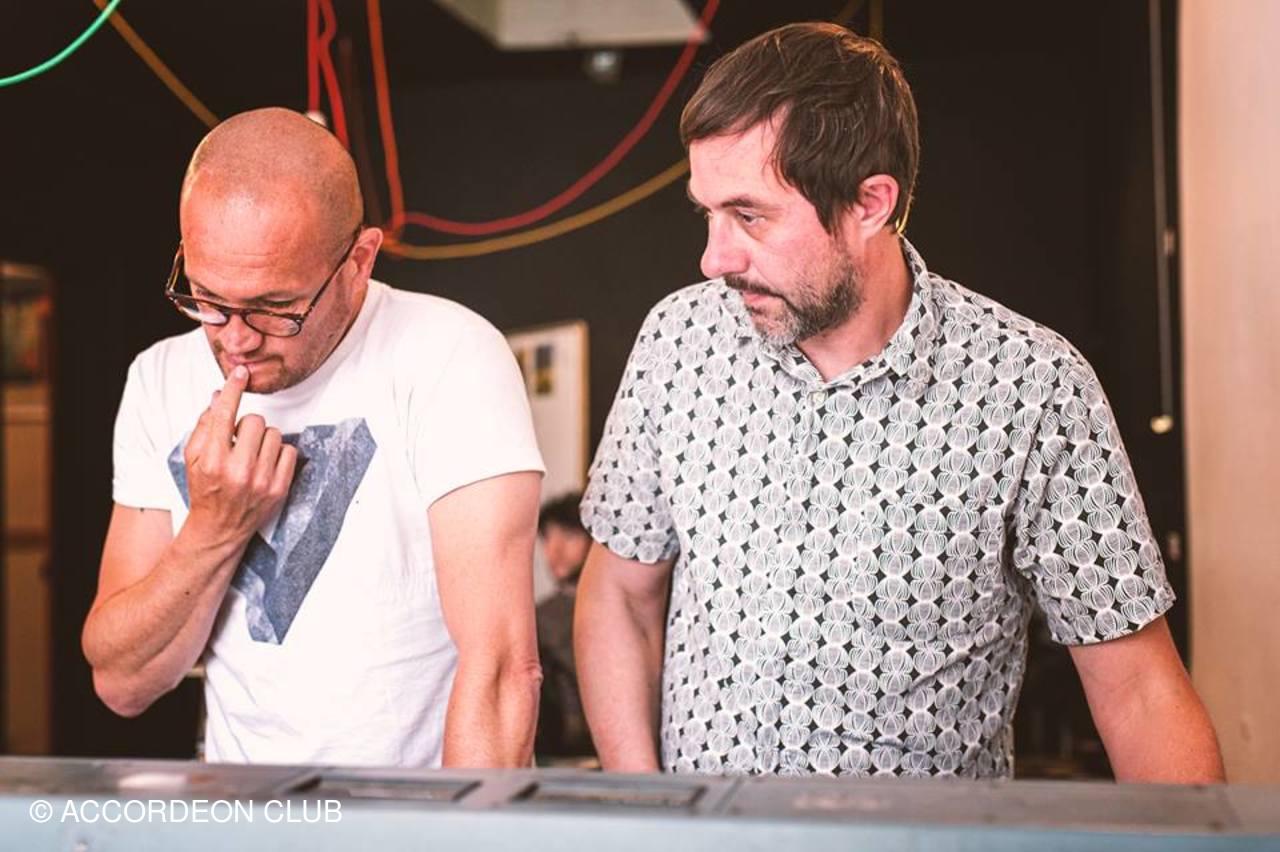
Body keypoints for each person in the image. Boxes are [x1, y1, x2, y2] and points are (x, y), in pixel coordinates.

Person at [575, 22, 1225, 781]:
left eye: (750, 216)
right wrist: (646, 805)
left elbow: (1141, 692)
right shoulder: (678, 341)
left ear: (870, 203)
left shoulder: (1031, 387)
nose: (714, 258)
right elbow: (619, 596)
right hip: (703, 829)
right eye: (707, 213)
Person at [82, 108, 546, 768]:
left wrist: (455, 824)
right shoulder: (159, 378)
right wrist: (214, 526)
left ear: (359, 261)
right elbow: (122, 683)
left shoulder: (449, 355)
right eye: (207, 298)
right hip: (242, 815)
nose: (235, 339)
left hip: (415, 816)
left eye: (274, 308)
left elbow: (501, 671)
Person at [533, 493, 594, 758]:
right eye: (547, 539)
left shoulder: (623, 608)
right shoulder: (540, 616)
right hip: (562, 755)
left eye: (568, 537)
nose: (554, 551)